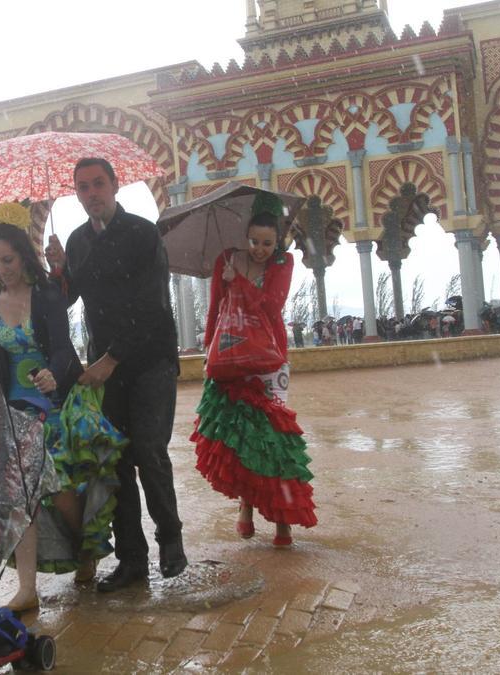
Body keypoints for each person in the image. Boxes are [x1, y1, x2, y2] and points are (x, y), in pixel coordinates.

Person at [45, 157, 187, 592]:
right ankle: (132, 560)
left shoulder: (143, 233)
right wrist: (58, 273)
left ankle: (171, 539)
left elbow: (151, 305)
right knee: (117, 460)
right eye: (83, 187)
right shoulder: (77, 242)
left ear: (115, 185)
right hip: (107, 370)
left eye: (98, 184)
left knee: (148, 449)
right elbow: (66, 304)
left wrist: (110, 359)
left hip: (150, 361)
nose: (92, 194)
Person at [0, 205, 119, 611]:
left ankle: (86, 548)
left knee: (60, 493)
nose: (3, 269)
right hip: (16, 413)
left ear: (23, 254)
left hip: (54, 406)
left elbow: (62, 350)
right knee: (22, 496)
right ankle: (27, 589)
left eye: (8, 259)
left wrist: (53, 373)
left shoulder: (46, 296)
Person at [191, 193, 317, 547]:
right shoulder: (226, 260)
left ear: (278, 241)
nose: (260, 249)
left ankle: (283, 518)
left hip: (268, 359)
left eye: (267, 243)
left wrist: (241, 282)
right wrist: (208, 353)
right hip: (229, 359)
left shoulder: (283, 264)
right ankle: (246, 509)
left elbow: (272, 306)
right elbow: (216, 307)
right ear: (244, 236)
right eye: (254, 241)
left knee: (274, 438)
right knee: (241, 438)